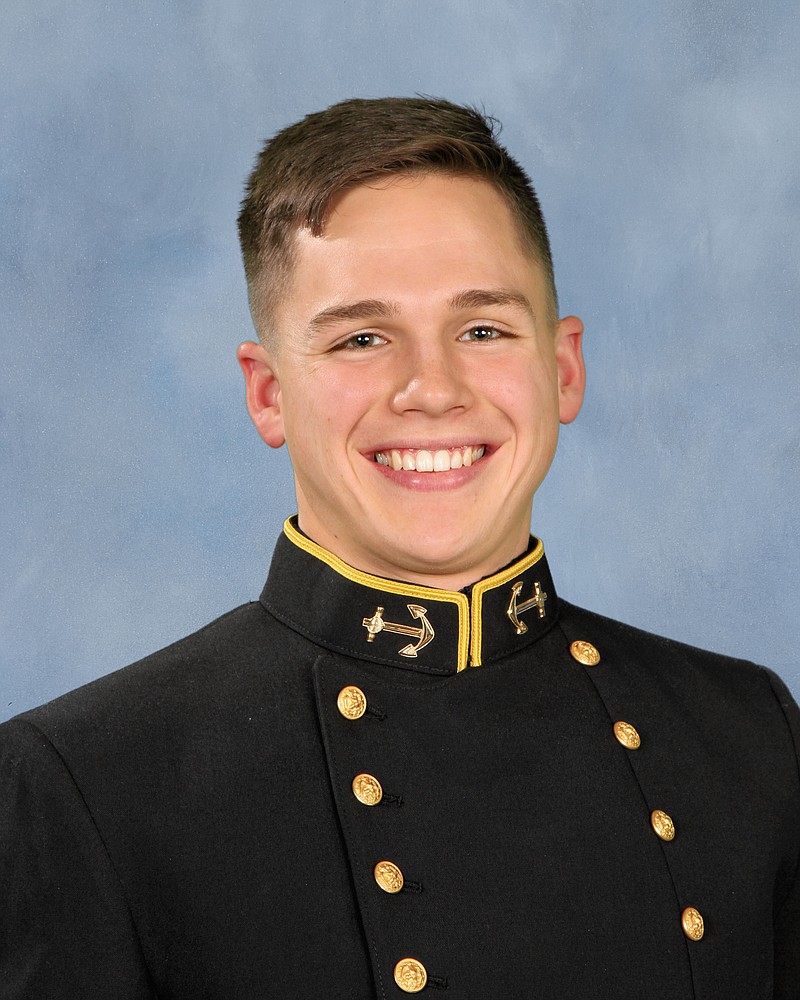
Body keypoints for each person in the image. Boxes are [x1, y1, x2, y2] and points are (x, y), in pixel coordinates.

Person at [1, 97, 798, 999]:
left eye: (484, 329)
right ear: (267, 395)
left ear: (563, 369)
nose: (432, 389)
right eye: (363, 338)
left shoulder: (748, 735)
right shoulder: (87, 784)